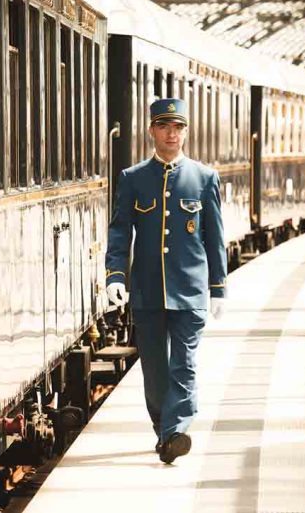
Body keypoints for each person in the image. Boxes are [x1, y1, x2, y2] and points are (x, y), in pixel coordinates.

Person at [104, 97, 227, 464]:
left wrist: (218, 287)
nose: (171, 134)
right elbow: (120, 233)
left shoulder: (205, 179)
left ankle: (176, 431)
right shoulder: (133, 178)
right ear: (151, 131)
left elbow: (214, 237)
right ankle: (164, 429)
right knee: (155, 371)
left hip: (190, 293)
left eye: (178, 128)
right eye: (164, 127)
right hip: (147, 292)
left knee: (183, 364)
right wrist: (115, 276)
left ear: (186, 132)